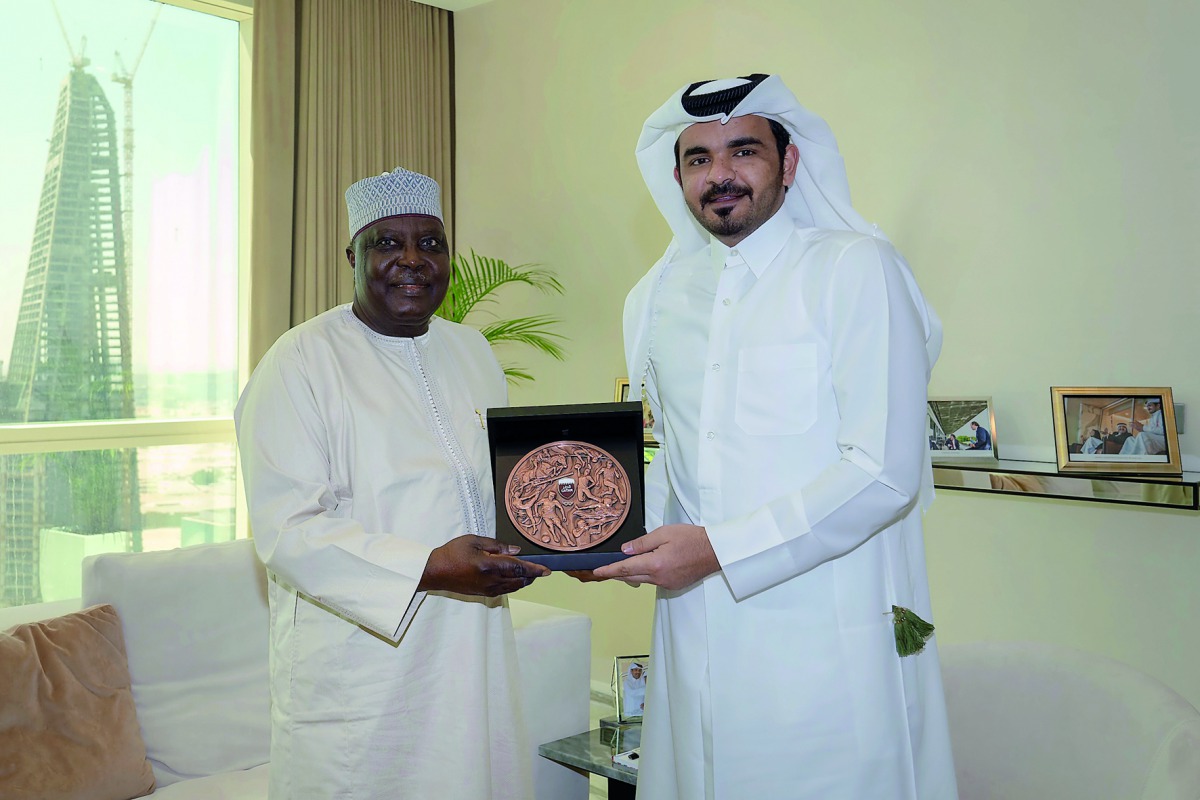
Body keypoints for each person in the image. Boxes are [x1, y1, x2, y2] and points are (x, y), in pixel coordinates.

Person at [593, 74, 957, 798]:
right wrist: (605, 533)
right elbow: (667, 452)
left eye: (743, 151)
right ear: (676, 177)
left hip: (824, 637)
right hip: (694, 630)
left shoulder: (854, 269)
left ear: (789, 165)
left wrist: (719, 549)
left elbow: (884, 472)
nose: (720, 174)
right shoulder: (656, 299)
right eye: (698, 158)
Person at [234, 166, 550, 799]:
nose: (412, 260)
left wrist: (561, 535)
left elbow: (503, 486)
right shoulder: (298, 362)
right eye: (388, 243)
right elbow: (289, 533)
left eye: (430, 243)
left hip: (472, 646)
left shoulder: (472, 353)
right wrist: (429, 567)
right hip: (363, 665)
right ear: (353, 256)